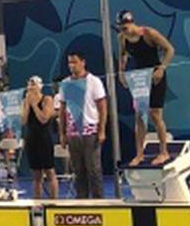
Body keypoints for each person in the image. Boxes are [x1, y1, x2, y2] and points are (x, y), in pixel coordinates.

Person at [116, 11, 174, 166]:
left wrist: (162, 68)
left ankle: (164, 152)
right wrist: (121, 73)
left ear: (132, 22)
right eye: (121, 28)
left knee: (155, 115)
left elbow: (169, 50)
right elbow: (122, 55)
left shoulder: (149, 33)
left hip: (155, 77)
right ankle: (139, 154)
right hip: (140, 78)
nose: (124, 31)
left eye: (126, 27)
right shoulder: (122, 38)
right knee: (140, 116)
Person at [58, 48, 108, 200]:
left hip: (90, 131)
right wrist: (62, 133)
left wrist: (101, 130)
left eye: (75, 62)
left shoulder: (94, 81)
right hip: (73, 133)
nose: (72, 65)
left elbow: (102, 107)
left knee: (93, 169)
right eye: (69, 63)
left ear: (83, 63)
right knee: (78, 170)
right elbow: (62, 110)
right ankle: (82, 200)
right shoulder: (65, 84)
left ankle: (99, 200)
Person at [21, 75, 59, 200]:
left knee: (49, 172)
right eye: (29, 85)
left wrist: (34, 105)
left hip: (44, 139)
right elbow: (24, 121)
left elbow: (43, 119)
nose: (31, 88)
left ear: (40, 87)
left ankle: (54, 201)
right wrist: (27, 104)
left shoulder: (47, 99)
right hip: (31, 139)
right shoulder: (26, 101)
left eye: (33, 85)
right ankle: (37, 202)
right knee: (36, 175)